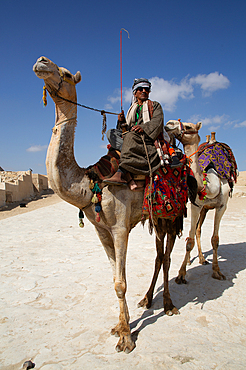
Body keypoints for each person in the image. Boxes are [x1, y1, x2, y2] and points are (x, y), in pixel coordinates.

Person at [103, 78, 181, 187]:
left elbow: (157, 122)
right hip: (132, 137)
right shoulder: (132, 109)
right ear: (135, 93)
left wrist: (143, 127)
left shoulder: (155, 106)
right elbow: (124, 129)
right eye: (140, 89)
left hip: (148, 138)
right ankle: (131, 150)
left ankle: (121, 171)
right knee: (111, 133)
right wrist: (121, 121)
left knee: (130, 136)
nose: (144, 91)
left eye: (146, 89)